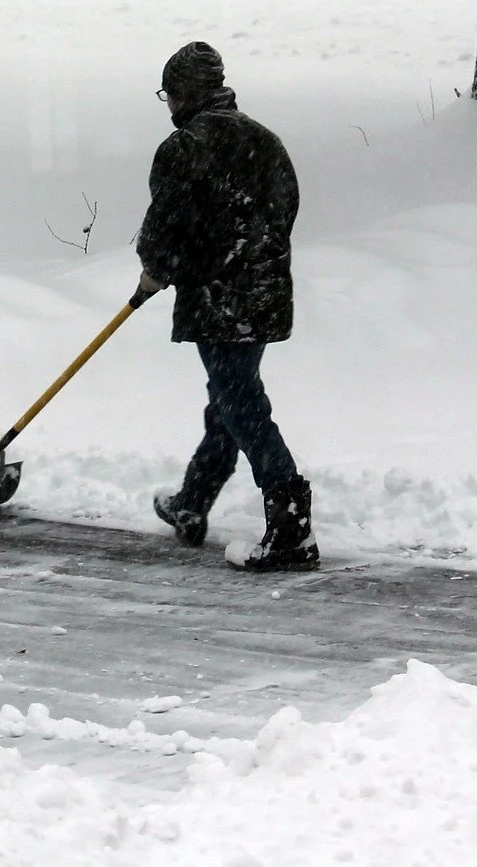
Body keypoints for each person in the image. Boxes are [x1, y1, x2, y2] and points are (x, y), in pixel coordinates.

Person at [137, 41, 318, 571]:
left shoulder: (183, 148)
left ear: (186, 93)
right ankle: (193, 502)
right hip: (265, 295)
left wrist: (158, 269)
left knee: (241, 406)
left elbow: (165, 225)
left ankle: (291, 528)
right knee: (230, 397)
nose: (168, 104)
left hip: (217, 300)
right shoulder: (266, 142)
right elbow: (283, 211)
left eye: (169, 94)